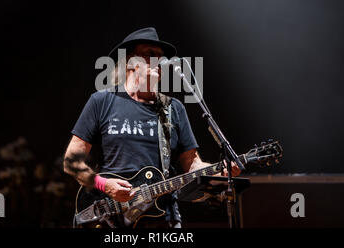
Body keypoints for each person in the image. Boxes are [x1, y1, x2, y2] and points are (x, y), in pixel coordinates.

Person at [63, 27, 240, 228]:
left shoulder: (173, 109)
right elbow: (71, 161)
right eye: (150, 54)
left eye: (161, 56)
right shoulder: (102, 101)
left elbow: (192, 165)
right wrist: (105, 185)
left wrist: (220, 171)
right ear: (130, 62)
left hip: (162, 218)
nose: (160, 61)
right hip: (110, 217)